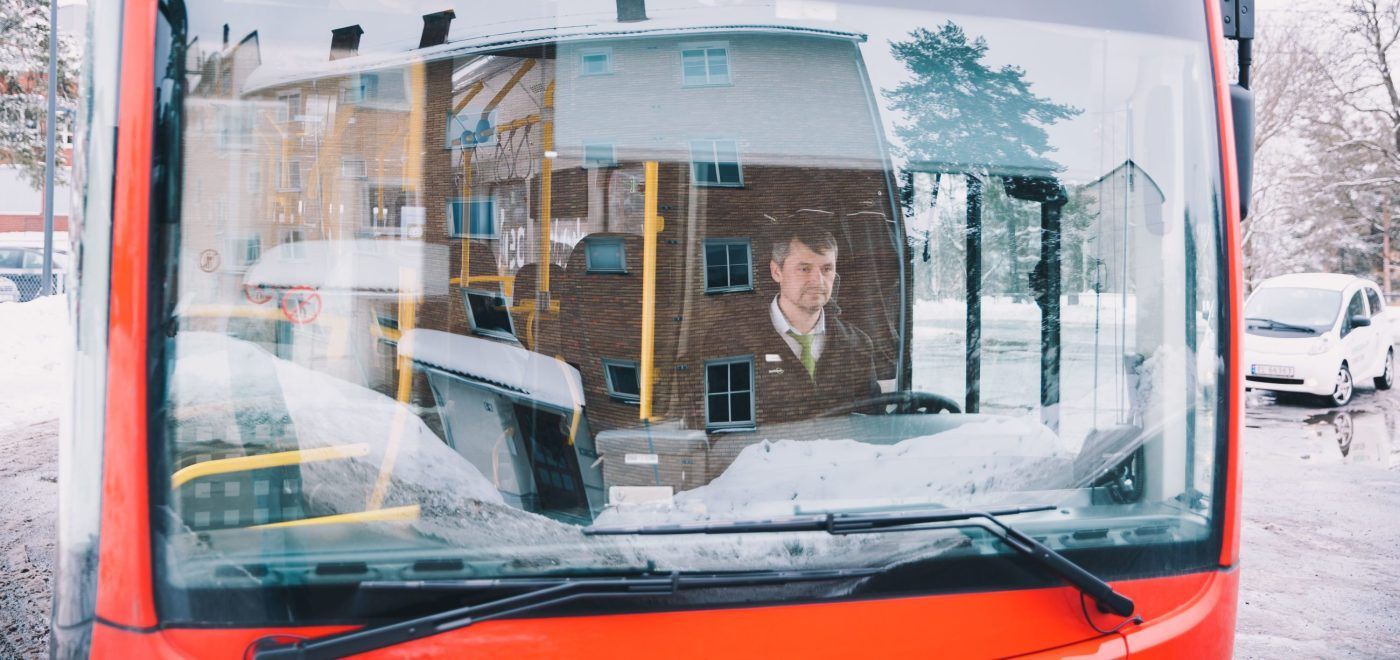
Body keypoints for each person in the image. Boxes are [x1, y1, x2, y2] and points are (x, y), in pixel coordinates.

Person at [748, 225, 881, 424]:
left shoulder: (857, 344)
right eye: (804, 269)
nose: (818, 281)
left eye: (826, 269)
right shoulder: (732, 342)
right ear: (776, 272)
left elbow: (874, 427)